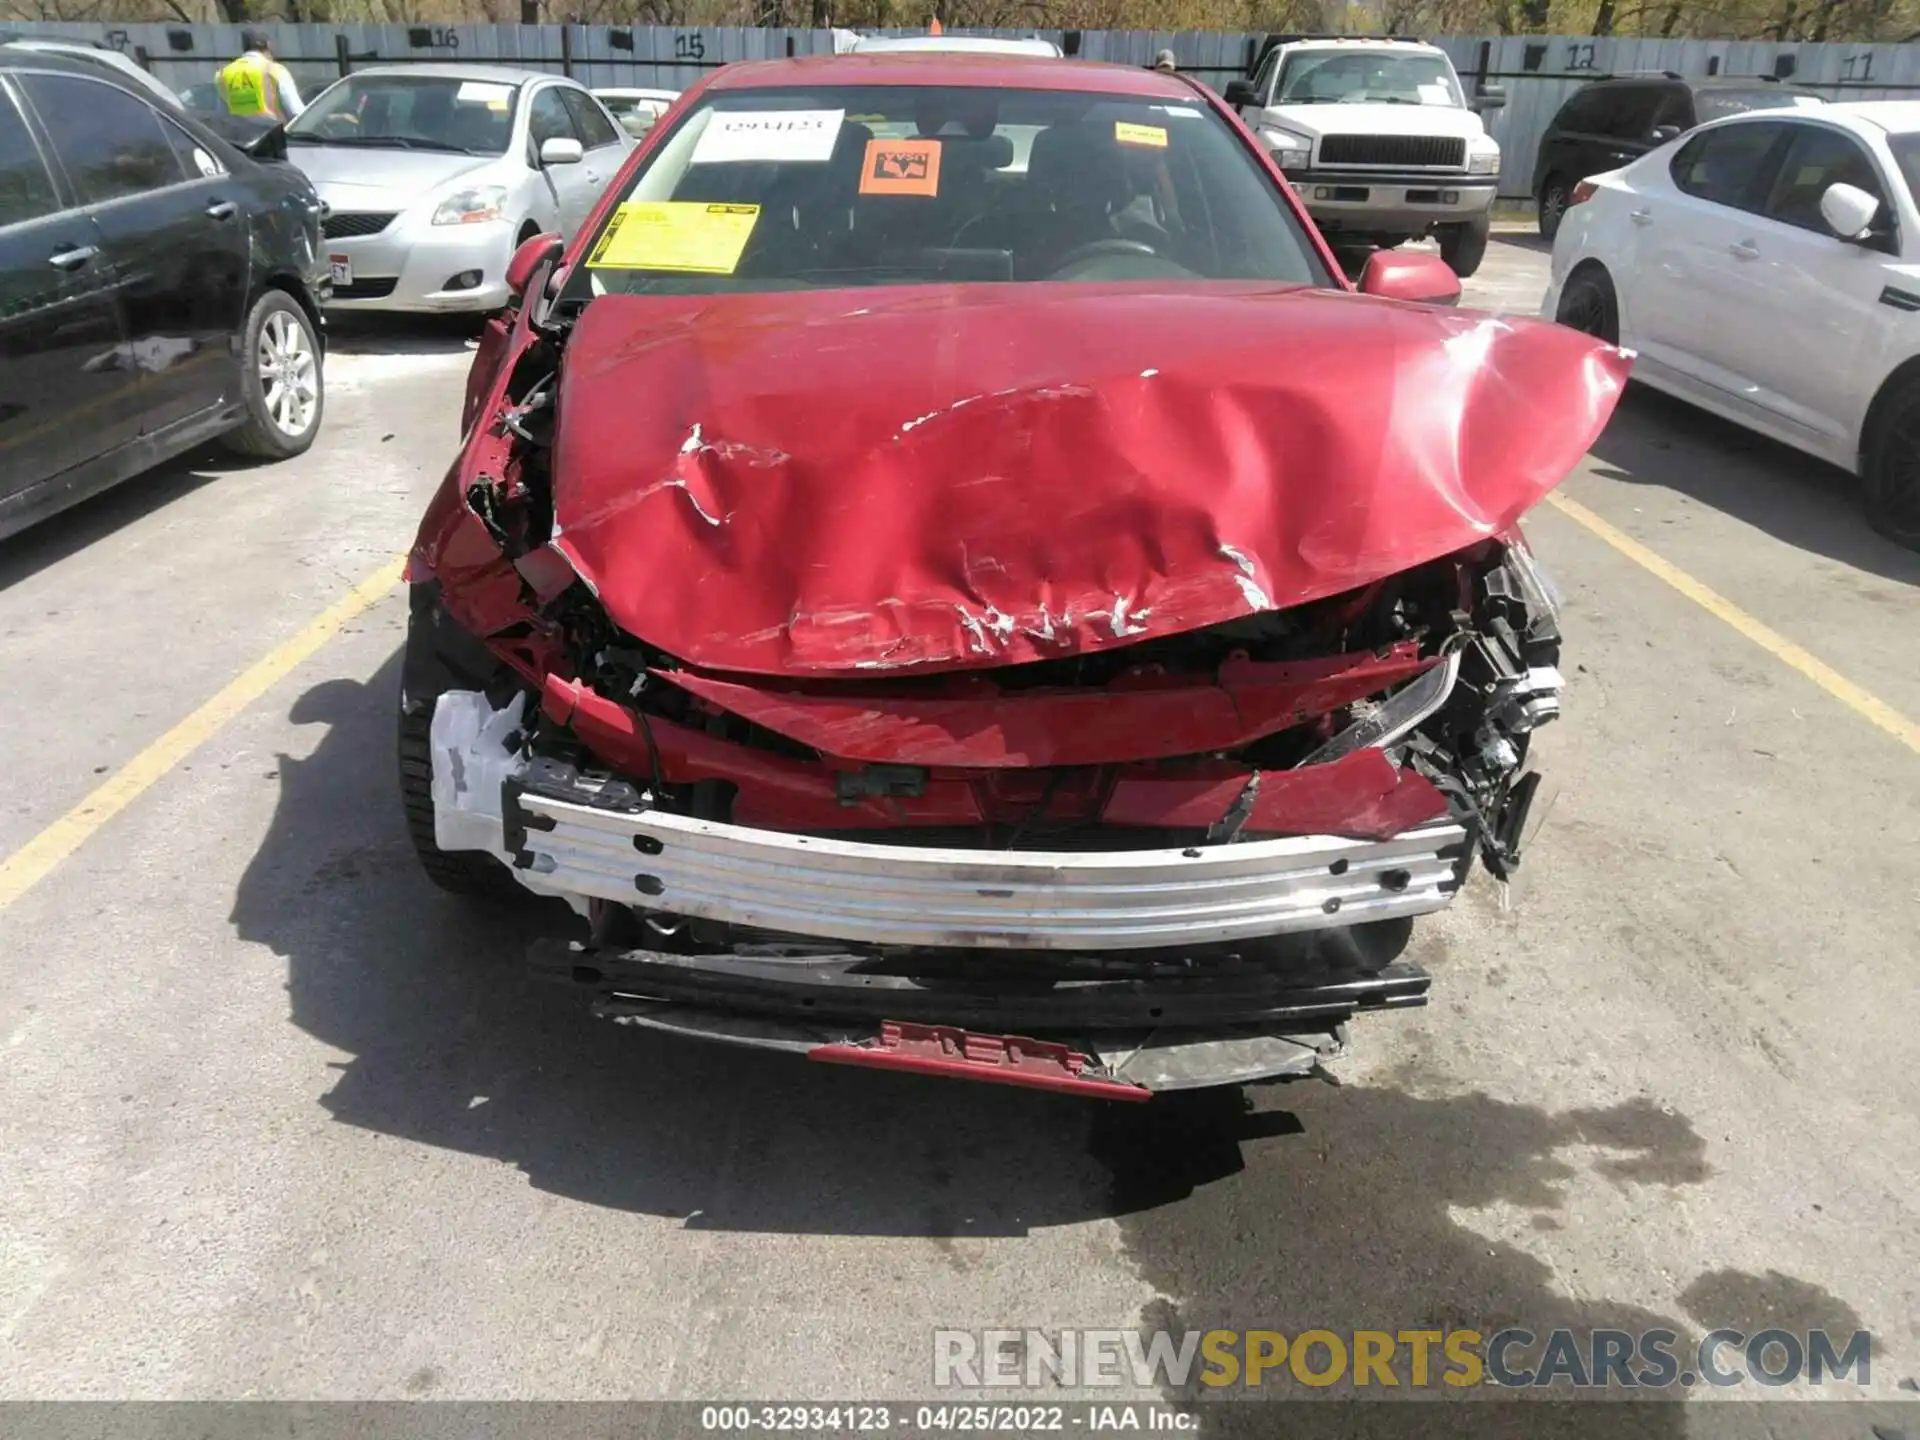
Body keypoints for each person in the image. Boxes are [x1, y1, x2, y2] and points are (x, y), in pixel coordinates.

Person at [216, 28, 303, 121]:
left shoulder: (223, 73)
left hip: (235, 134)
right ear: (268, 45)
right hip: (274, 133)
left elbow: (221, 115)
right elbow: (296, 112)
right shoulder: (274, 69)